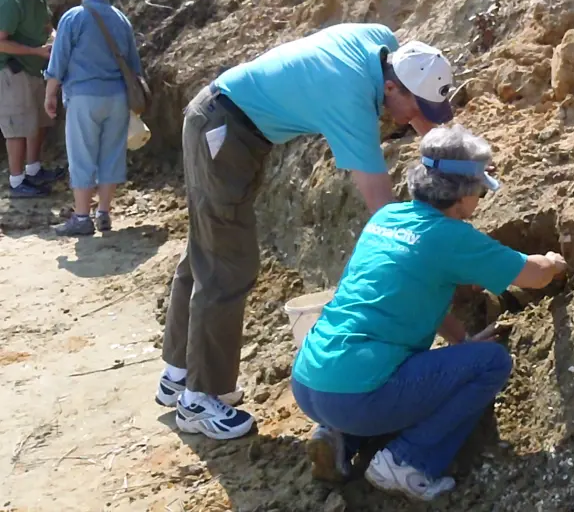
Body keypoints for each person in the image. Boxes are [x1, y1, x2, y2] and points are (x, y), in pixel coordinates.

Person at [157, 23, 457, 441]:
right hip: (224, 133)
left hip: (224, 119)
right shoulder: (349, 100)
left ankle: (178, 374)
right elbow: (385, 215)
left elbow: (418, 109)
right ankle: (199, 399)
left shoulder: (383, 44)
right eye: (417, 109)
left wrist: (452, 158)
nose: (415, 121)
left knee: (208, 251)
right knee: (227, 265)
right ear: (393, 89)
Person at [290, 124, 569, 502]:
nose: (481, 199)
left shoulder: (386, 219)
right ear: (463, 193)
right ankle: (408, 462)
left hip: (310, 382)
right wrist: (553, 261)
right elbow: (533, 276)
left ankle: (340, 437)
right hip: (357, 394)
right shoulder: (451, 237)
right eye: (479, 190)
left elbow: (414, 297)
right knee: (491, 363)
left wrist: (462, 341)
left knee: (392, 373)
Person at [44, 0, 143, 236]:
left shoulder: (73, 17)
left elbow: (58, 61)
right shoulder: (121, 19)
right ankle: (104, 213)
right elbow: (134, 65)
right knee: (111, 154)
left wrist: (49, 94)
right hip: (118, 98)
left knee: (82, 155)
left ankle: (81, 217)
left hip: (84, 97)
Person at [0, 0, 66, 198]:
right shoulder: (8, 0)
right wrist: (35, 51)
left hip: (36, 67)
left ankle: (34, 170)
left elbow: (48, 27)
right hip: (11, 70)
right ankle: (17, 182)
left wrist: (57, 42)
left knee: (39, 121)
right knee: (16, 127)